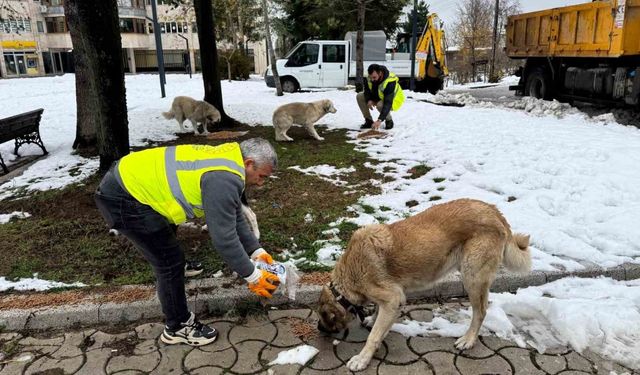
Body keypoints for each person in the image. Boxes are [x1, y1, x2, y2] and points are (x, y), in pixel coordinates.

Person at [94, 138, 280, 346]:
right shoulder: (224, 178)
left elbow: (234, 214)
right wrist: (253, 276)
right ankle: (177, 327)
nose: (261, 182)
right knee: (169, 262)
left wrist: (256, 251)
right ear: (248, 163)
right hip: (123, 198)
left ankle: (177, 276)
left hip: (131, 180)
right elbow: (225, 240)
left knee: (170, 253)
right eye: (262, 176)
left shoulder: (230, 161)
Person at [356, 63, 406, 130]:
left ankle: (389, 121)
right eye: (371, 77)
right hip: (379, 97)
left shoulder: (390, 81)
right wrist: (369, 100)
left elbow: (388, 102)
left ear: (380, 73)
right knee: (360, 96)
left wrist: (379, 120)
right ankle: (368, 121)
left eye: (374, 77)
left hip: (393, 100)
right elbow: (367, 91)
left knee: (380, 105)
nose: (372, 80)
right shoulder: (370, 77)